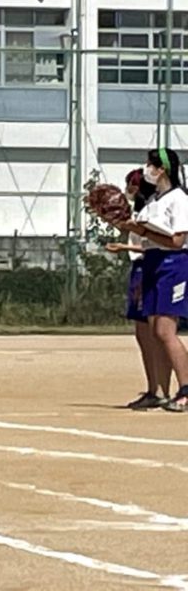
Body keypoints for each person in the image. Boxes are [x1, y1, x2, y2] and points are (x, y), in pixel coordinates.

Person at [113, 147, 188, 412]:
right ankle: (159, 392)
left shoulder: (179, 199)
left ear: (162, 169)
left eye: (151, 165)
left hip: (173, 264)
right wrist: (128, 226)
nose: (148, 170)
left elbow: (177, 241)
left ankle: (186, 389)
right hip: (153, 262)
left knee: (165, 331)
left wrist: (143, 231)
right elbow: (147, 237)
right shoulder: (155, 199)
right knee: (155, 332)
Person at [105, 169, 172, 409]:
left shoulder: (156, 210)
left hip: (151, 267)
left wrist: (125, 246)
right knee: (143, 334)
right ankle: (153, 388)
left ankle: (164, 389)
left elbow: (159, 245)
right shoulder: (140, 211)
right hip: (139, 269)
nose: (129, 191)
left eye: (132, 186)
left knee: (158, 333)